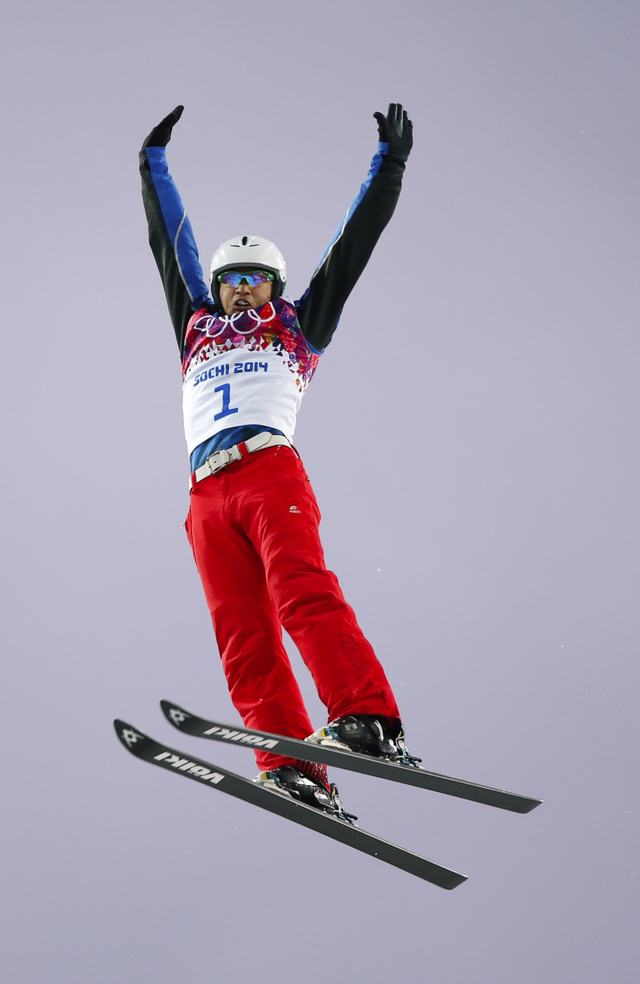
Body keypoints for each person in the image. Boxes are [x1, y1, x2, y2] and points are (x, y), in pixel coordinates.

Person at [140, 102, 417, 821]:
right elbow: (173, 247)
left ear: (275, 287)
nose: (238, 289)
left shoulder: (297, 327)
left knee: (300, 594)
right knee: (243, 636)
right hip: (205, 497)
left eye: (254, 279)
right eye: (230, 279)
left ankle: (366, 716)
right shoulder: (196, 327)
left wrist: (387, 167)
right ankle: (292, 762)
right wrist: (154, 165)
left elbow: (351, 245)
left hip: (268, 473)